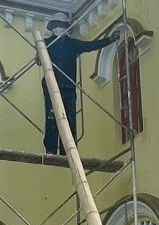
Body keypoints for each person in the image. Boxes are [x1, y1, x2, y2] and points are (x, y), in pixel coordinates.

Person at [41, 17, 121, 155]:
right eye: (55, 24)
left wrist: (109, 40)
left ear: (65, 27)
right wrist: (39, 56)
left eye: (60, 24)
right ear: (52, 27)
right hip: (51, 86)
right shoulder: (45, 43)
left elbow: (91, 45)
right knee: (52, 118)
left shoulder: (72, 44)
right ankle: (51, 149)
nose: (58, 27)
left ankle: (67, 152)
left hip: (68, 87)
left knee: (69, 120)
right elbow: (39, 57)